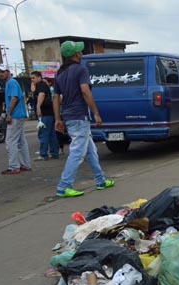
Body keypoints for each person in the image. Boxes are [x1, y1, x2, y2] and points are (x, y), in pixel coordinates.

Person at [52, 41, 114, 197]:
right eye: (80, 51)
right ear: (76, 54)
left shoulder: (60, 73)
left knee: (90, 150)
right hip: (80, 115)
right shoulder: (80, 70)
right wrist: (96, 113)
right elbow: (85, 91)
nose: (81, 53)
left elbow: (55, 97)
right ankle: (64, 186)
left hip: (68, 115)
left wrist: (57, 119)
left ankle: (100, 180)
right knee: (77, 152)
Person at [0, 65, 32, 175]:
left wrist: (9, 114)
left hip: (15, 115)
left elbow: (14, 98)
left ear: (8, 72)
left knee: (10, 141)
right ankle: (25, 164)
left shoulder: (11, 83)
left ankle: (14, 166)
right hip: (19, 114)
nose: (0, 74)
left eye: (2, 71)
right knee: (21, 141)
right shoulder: (11, 83)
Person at [31, 71, 59, 160]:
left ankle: (43, 154)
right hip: (49, 113)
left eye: (33, 78)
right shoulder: (42, 85)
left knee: (43, 133)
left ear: (39, 77)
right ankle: (54, 153)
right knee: (51, 134)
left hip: (44, 113)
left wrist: (38, 107)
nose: (32, 80)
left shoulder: (41, 85)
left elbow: (41, 94)